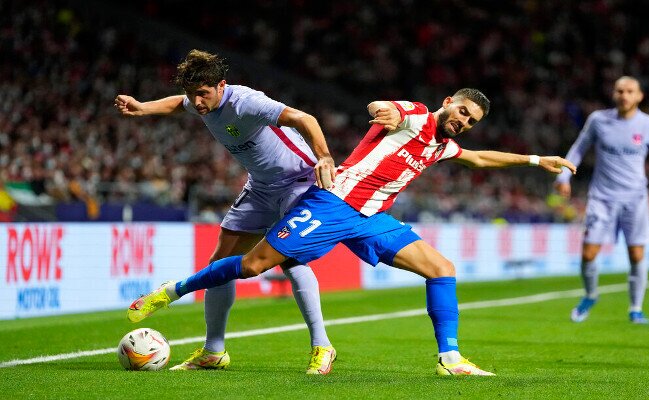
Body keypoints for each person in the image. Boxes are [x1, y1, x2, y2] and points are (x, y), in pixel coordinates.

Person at [127, 88, 576, 376]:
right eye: (461, 112)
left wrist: (537, 161)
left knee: (441, 268)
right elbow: (387, 109)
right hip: (333, 203)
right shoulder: (417, 115)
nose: (462, 121)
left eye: (470, 120)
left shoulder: (441, 145)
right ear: (448, 102)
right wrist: (382, 109)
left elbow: (480, 158)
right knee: (251, 266)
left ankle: (451, 358)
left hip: (372, 219)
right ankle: (176, 288)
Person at [115, 49, 338, 374]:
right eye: (194, 94)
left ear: (222, 85)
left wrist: (325, 157)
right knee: (219, 263)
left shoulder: (247, 101)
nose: (198, 102)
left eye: (203, 94)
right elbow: (180, 103)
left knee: (289, 258)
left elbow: (305, 118)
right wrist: (143, 107)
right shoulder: (199, 99)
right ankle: (214, 350)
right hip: (260, 187)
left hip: (298, 180)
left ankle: (322, 346)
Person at [555, 76, 649, 324]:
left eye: (630, 91)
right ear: (614, 94)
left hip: (635, 198)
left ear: (639, 96)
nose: (624, 95)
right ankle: (590, 294)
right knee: (588, 253)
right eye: (619, 90)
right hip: (602, 197)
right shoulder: (599, 120)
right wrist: (564, 176)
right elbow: (578, 148)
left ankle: (636, 308)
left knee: (637, 254)